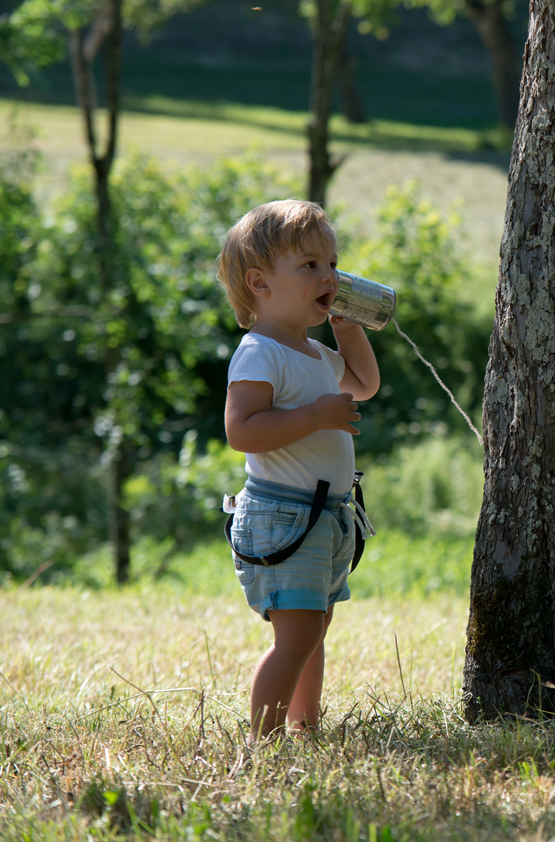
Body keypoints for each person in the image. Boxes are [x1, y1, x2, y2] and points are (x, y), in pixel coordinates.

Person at [216, 199, 380, 738]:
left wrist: (348, 328)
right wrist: (312, 417)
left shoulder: (314, 353)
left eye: (332, 264)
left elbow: (362, 385)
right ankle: (263, 743)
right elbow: (242, 430)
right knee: (297, 636)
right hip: (283, 515)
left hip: (325, 516)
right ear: (260, 283)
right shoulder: (260, 351)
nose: (328, 275)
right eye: (310, 265)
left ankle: (303, 728)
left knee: (315, 631)